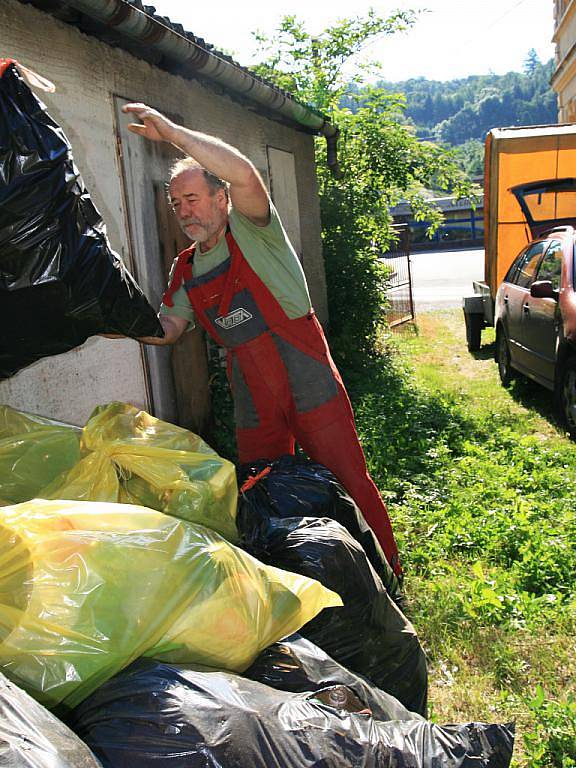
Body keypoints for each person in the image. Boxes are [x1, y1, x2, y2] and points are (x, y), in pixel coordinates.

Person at [122, 103, 402, 577]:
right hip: (252, 389)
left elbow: (247, 175)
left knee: (346, 474)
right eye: (177, 204)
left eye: (192, 198)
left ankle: (384, 570)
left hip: (305, 373)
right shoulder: (185, 269)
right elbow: (166, 330)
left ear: (220, 199)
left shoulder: (256, 232)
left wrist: (173, 134)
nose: (184, 211)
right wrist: (101, 318)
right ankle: (297, 572)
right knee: (263, 483)